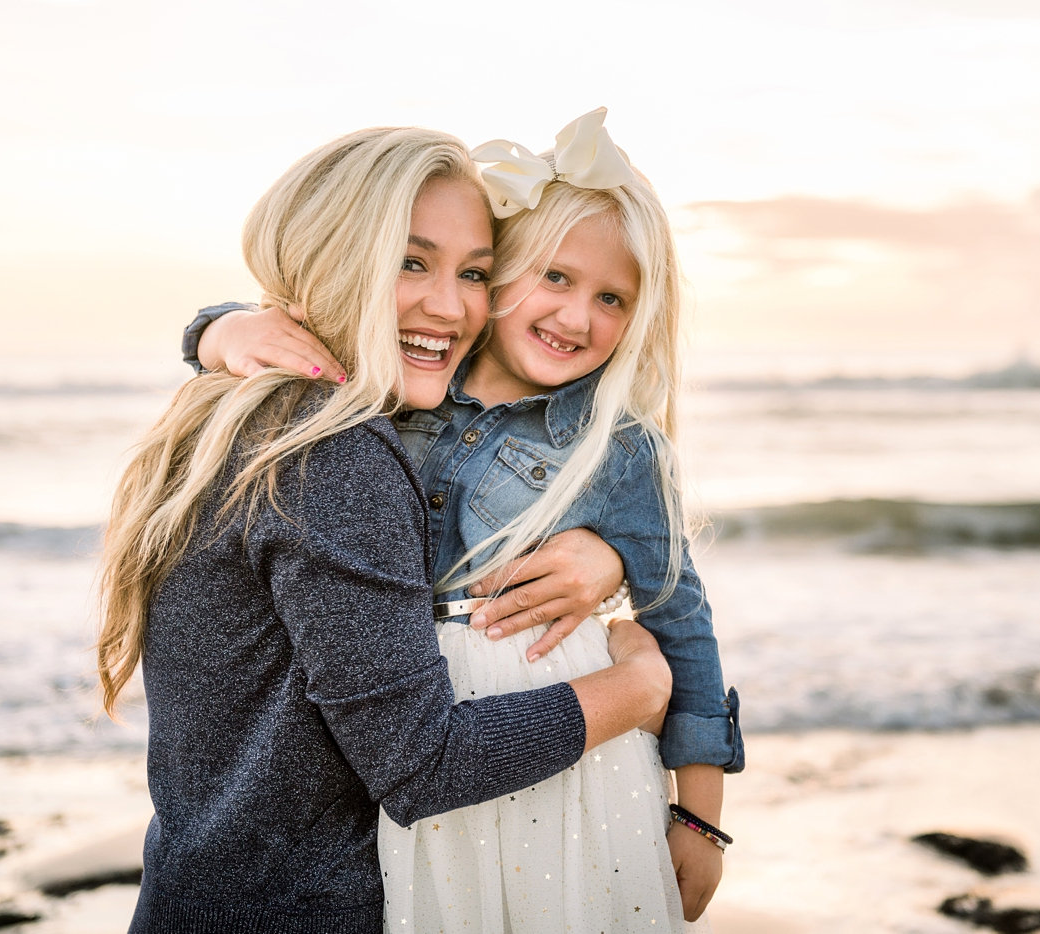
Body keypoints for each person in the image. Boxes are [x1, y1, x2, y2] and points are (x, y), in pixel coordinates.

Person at [96, 126, 672, 934]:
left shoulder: (236, 415)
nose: (450, 306)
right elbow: (425, 762)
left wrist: (215, 331)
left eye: (475, 272)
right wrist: (637, 689)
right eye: (410, 261)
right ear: (334, 258)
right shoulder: (334, 453)